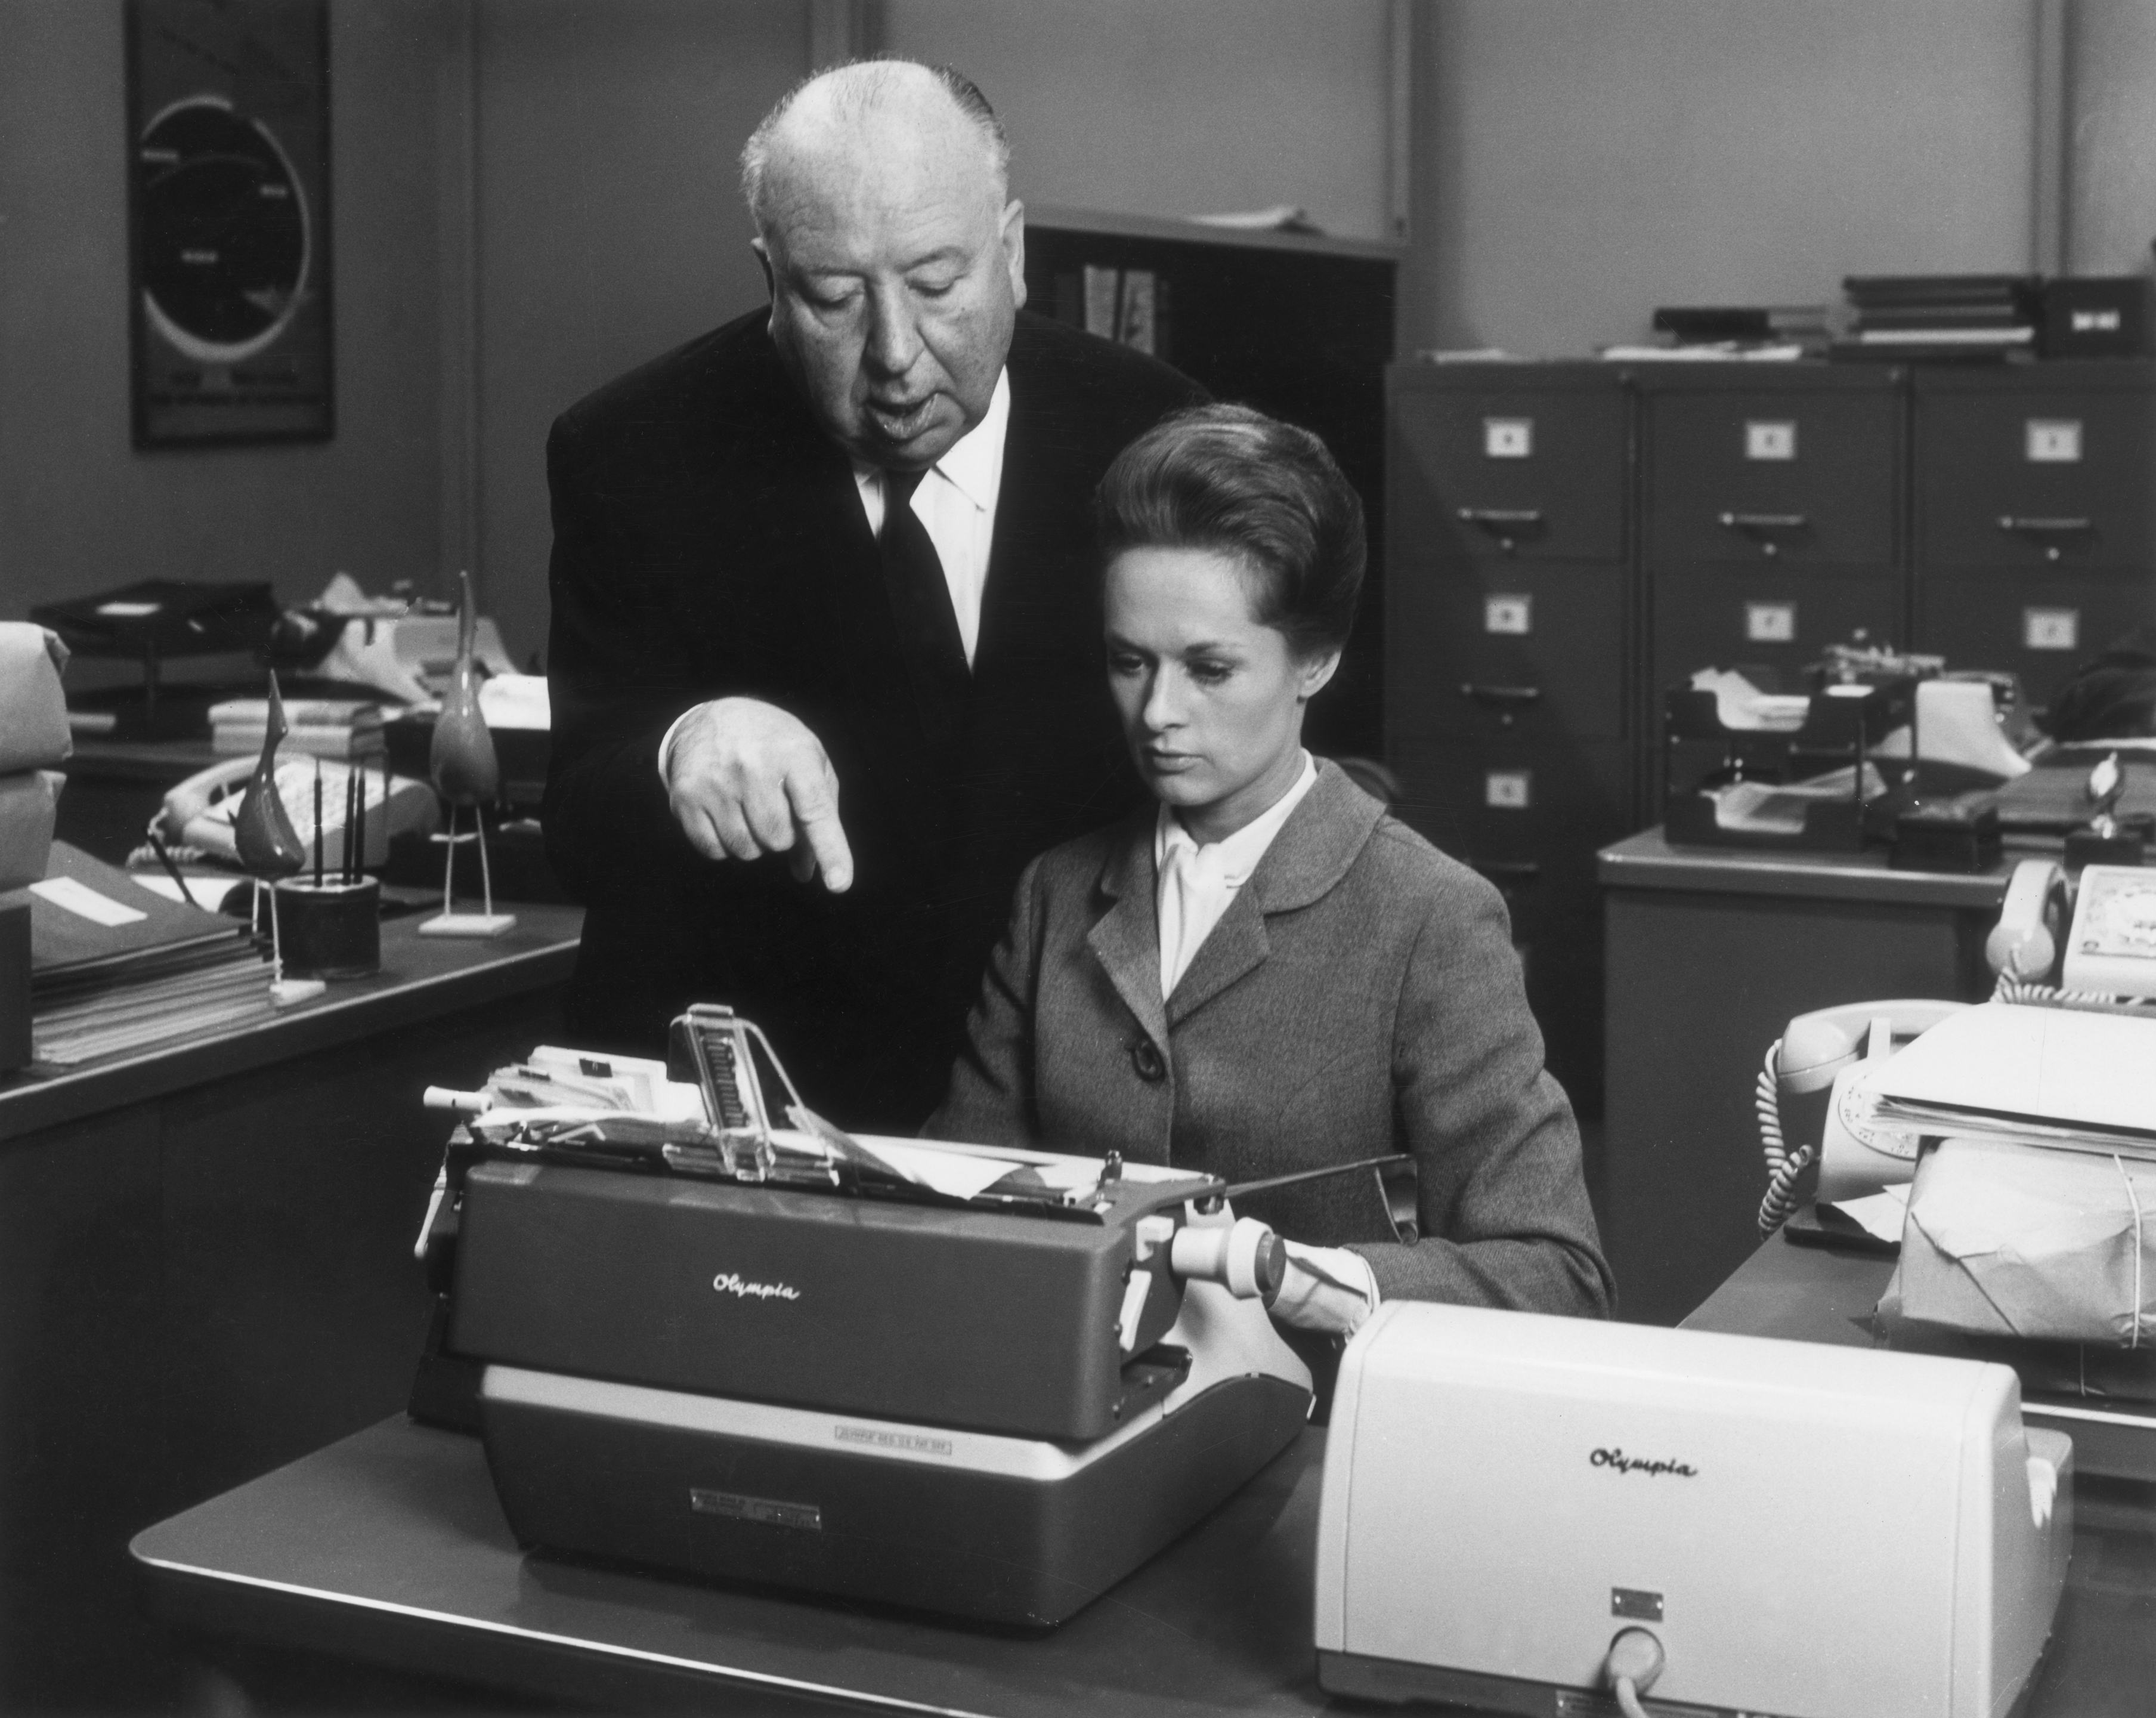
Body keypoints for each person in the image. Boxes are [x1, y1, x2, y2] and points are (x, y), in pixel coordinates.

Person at [542, 60, 1203, 1129]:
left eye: (938, 285)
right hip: (764, 1109)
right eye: (835, 299)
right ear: (771, 278)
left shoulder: (1156, 435)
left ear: (1015, 252)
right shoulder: (634, 449)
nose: (896, 356)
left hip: (1065, 1097)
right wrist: (683, 744)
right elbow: (575, 816)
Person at [931, 406, 1613, 1334]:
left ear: (1317, 660)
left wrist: (1302, 1279)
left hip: (1314, 1434)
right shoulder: (1054, 892)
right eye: (1130, 662)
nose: (1157, 712)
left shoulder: (1430, 918)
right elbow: (951, 1201)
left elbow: (1555, 1274)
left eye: (1210, 670)